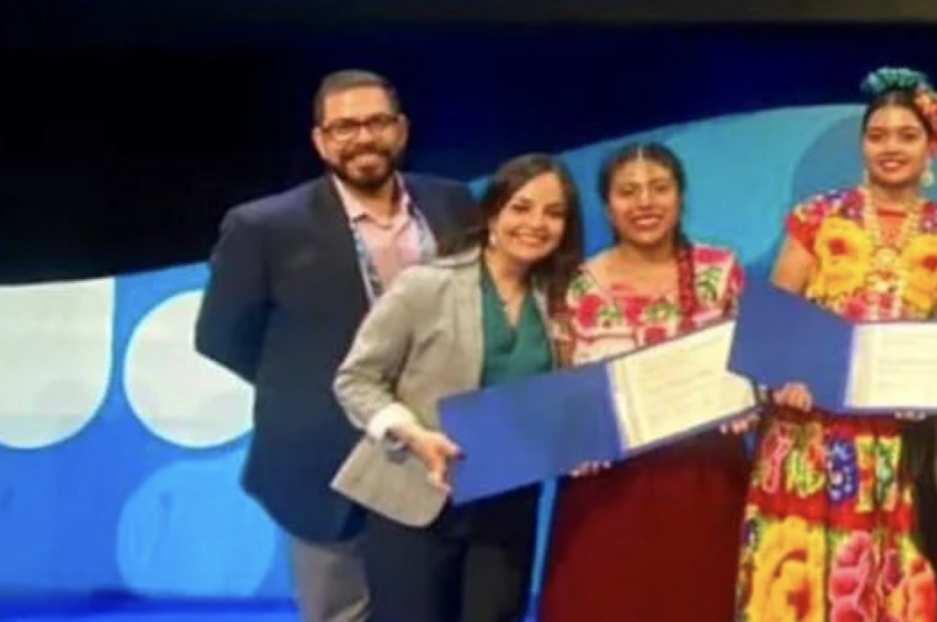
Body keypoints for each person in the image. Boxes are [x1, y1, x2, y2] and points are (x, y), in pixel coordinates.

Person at [194, 69, 477, 622]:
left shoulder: (453, 204)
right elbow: (222, 336)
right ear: (320, 140)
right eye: (344, 127)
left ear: (402, 130)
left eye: (376, 122)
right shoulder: (263, 227)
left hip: (440, 450)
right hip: (325, 459)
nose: (363, 138)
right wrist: (311, 387)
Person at [735, 66, 937, 622]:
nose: (891, 148)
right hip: (809, 435)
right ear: (861, 144)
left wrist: (930, 393)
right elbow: (780, 317)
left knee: (887, 587)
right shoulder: (818, 217)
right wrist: (788, 378)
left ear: (931, 147)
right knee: (799, 586)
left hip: (901, 446)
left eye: (907, 135)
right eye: (877, 136)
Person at [330, 153, 585, 622]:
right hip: (414, 498)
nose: (536, 223)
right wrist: (411, 433)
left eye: (554, 213)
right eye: (522, 207)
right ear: (493, 212)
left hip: (507, 506)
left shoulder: (563, 299)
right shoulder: (426, 286)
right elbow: (356, 379)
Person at [537, 143, 752, 622]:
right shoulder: (574, 284)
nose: (645, 203)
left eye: (659, 188)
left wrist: (745, 402)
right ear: (607, 206)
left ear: (680, 196)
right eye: (627, 192)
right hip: (608, 487)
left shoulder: (720, 271)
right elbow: (560, 383)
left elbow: (751, 368)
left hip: (705, 478)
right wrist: (575, 438)